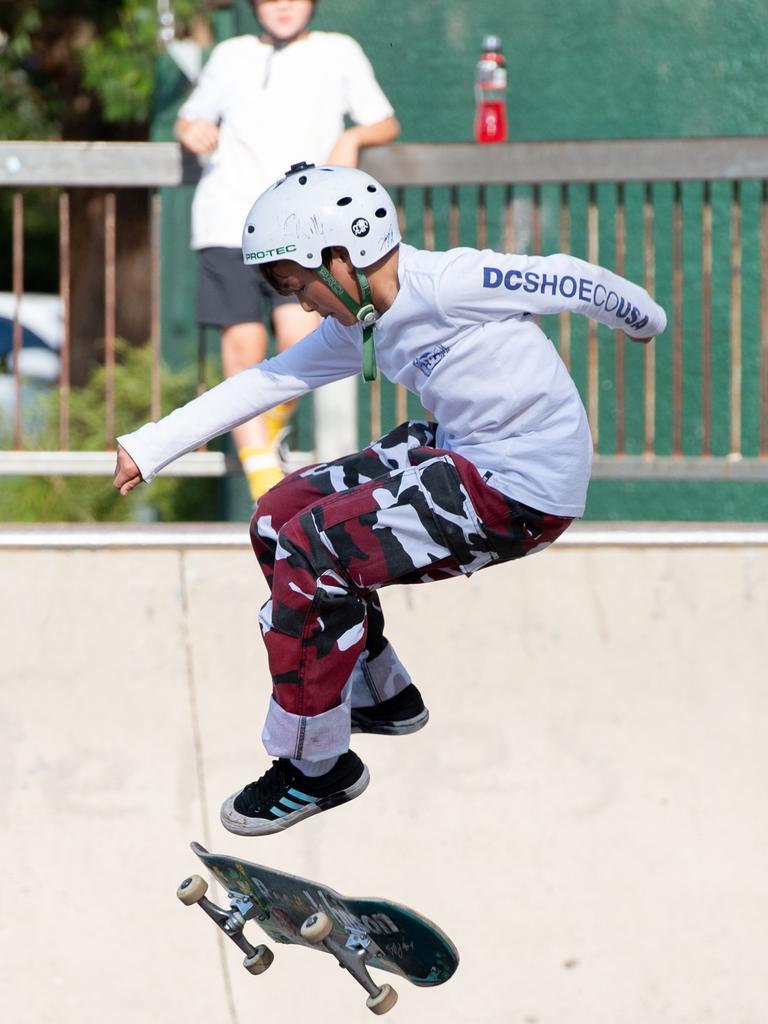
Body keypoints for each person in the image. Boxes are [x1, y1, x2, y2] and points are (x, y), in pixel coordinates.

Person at [113, 162, 667, 838]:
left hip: (521, 484)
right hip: (461, 452)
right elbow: (265, 382)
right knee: (277, 517)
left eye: (298, 286)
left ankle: (317, 766)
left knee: (317, 547)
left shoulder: (451, 282)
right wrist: (151, 445)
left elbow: (573, 280)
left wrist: (645, 320)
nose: (303, 306)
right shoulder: (356, 326)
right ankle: (383, 692)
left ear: (342, 258)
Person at [175, 0, 399, 500]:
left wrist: (353, 136)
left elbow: (383, 120)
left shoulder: (339, 51)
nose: (282, 6)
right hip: (227, 222)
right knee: (243, 349)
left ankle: (253, 420)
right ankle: (263, 482)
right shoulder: (230, 55)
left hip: (302, 230)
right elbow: (190, 120)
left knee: (302, 338)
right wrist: (192, 130)